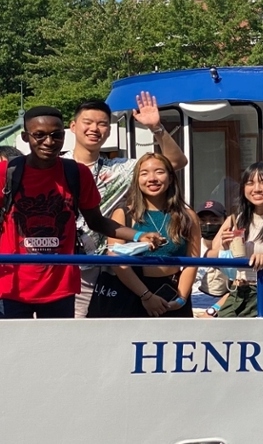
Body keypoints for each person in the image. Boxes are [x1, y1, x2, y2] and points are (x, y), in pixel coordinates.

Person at [0, 106, 163, 319]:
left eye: (56, 135)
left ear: (64, 135)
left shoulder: (76, 173)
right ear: (25, 137)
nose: (49, 142)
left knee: (58, 351)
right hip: (13, 286)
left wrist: (138, 236)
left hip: (59, 287)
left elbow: (97, 222)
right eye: (39, 135)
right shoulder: (4, 172)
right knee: (14, 351)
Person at [65, 93, 188, 318]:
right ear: (73, 126)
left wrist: (156, 127)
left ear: (109, 132)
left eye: (102, 124)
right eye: (88, 122)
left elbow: (175, 163)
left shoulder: (119, 168)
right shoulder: (57, 166)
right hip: (67, 265)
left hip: (109, 269)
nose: (95, 128)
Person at [108, 153, 199, 317]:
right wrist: (146, 295)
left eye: (159, 172)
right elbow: (115, 260)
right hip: (132, 293)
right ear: (136, 180)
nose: (152, 178)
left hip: (173, 294)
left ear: (171, 178)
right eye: (144, 173)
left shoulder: (188, 216)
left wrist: (181, 299)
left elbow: (192, 261)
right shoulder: (123, 213)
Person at [209, 162, 263, 318]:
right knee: (225, 338)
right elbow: (209, 256)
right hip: (238, 292)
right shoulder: (235, 219)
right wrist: (224, 248)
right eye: (250, 183)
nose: (256, 189)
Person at [192, 200, 231, 317]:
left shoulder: (232, 249)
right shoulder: (190, 247)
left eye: (214, 220)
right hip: (187, 310)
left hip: (217, 313)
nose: (208, 224)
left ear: (224, 221)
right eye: (203, 220)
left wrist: (213, 310)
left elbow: (239, 286)